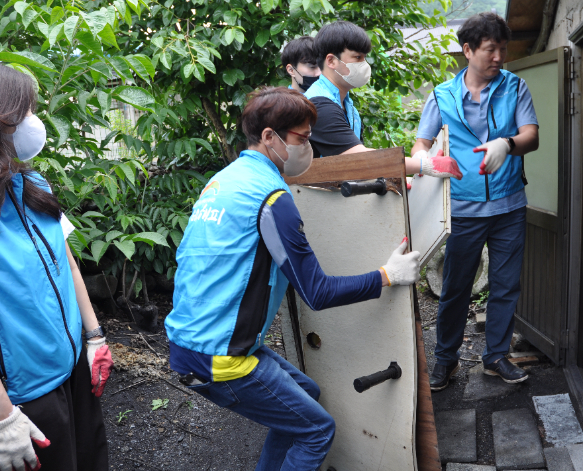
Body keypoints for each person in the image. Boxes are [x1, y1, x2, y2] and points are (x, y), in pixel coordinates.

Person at [165, 87, 421, 470]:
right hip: (220, 356)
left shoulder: (226, 180)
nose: (310, 147)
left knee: (307, 393)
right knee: (316, 430)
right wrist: (387, 275)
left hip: (195, 338)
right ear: (269, 137)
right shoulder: (271, 198)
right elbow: (316, 292)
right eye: (303, 138)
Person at [0, 58, 113, 471]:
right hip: (25, 393)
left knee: (92, 460)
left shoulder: (34, 185)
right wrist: (3, 418)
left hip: (75, 367)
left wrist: (94, 337)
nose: (35, 121)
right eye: (24, 113)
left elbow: (68, 265)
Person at [411, 12, 539, 390]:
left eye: (502, 48)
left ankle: (496, 356)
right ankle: (445, 360)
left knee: (505, 285)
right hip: (462, 211)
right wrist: (426, 161)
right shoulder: (441, 96)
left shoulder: (515, 88)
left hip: (508, 207)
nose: (499, 56)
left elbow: (531, 135)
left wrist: (507, 143)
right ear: (467, 50)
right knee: (455, 288)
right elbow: (422, 142)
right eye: (490, 49)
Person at [305, 21, 462, 181]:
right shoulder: (319, 105)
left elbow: (350, 166)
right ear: (331, 61)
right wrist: (424, 165)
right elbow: (358, 158)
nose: (364, 65)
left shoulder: (346, 104)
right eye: (357, 57)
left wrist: (391, 180)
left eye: (364, 58)